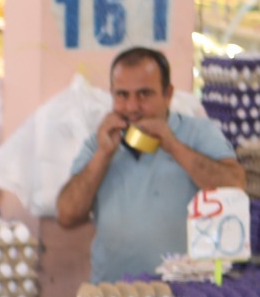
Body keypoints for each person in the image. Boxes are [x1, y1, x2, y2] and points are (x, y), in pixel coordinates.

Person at [53, 47, 246, 282]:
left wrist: (173, 145)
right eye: (122, 95)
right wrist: (103, 155)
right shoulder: (101, 141)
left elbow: (234, 186)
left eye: (144, 94)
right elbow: (67, 215)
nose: (132, 107)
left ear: (168, 94)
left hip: (184, 296)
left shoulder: (198, 133)